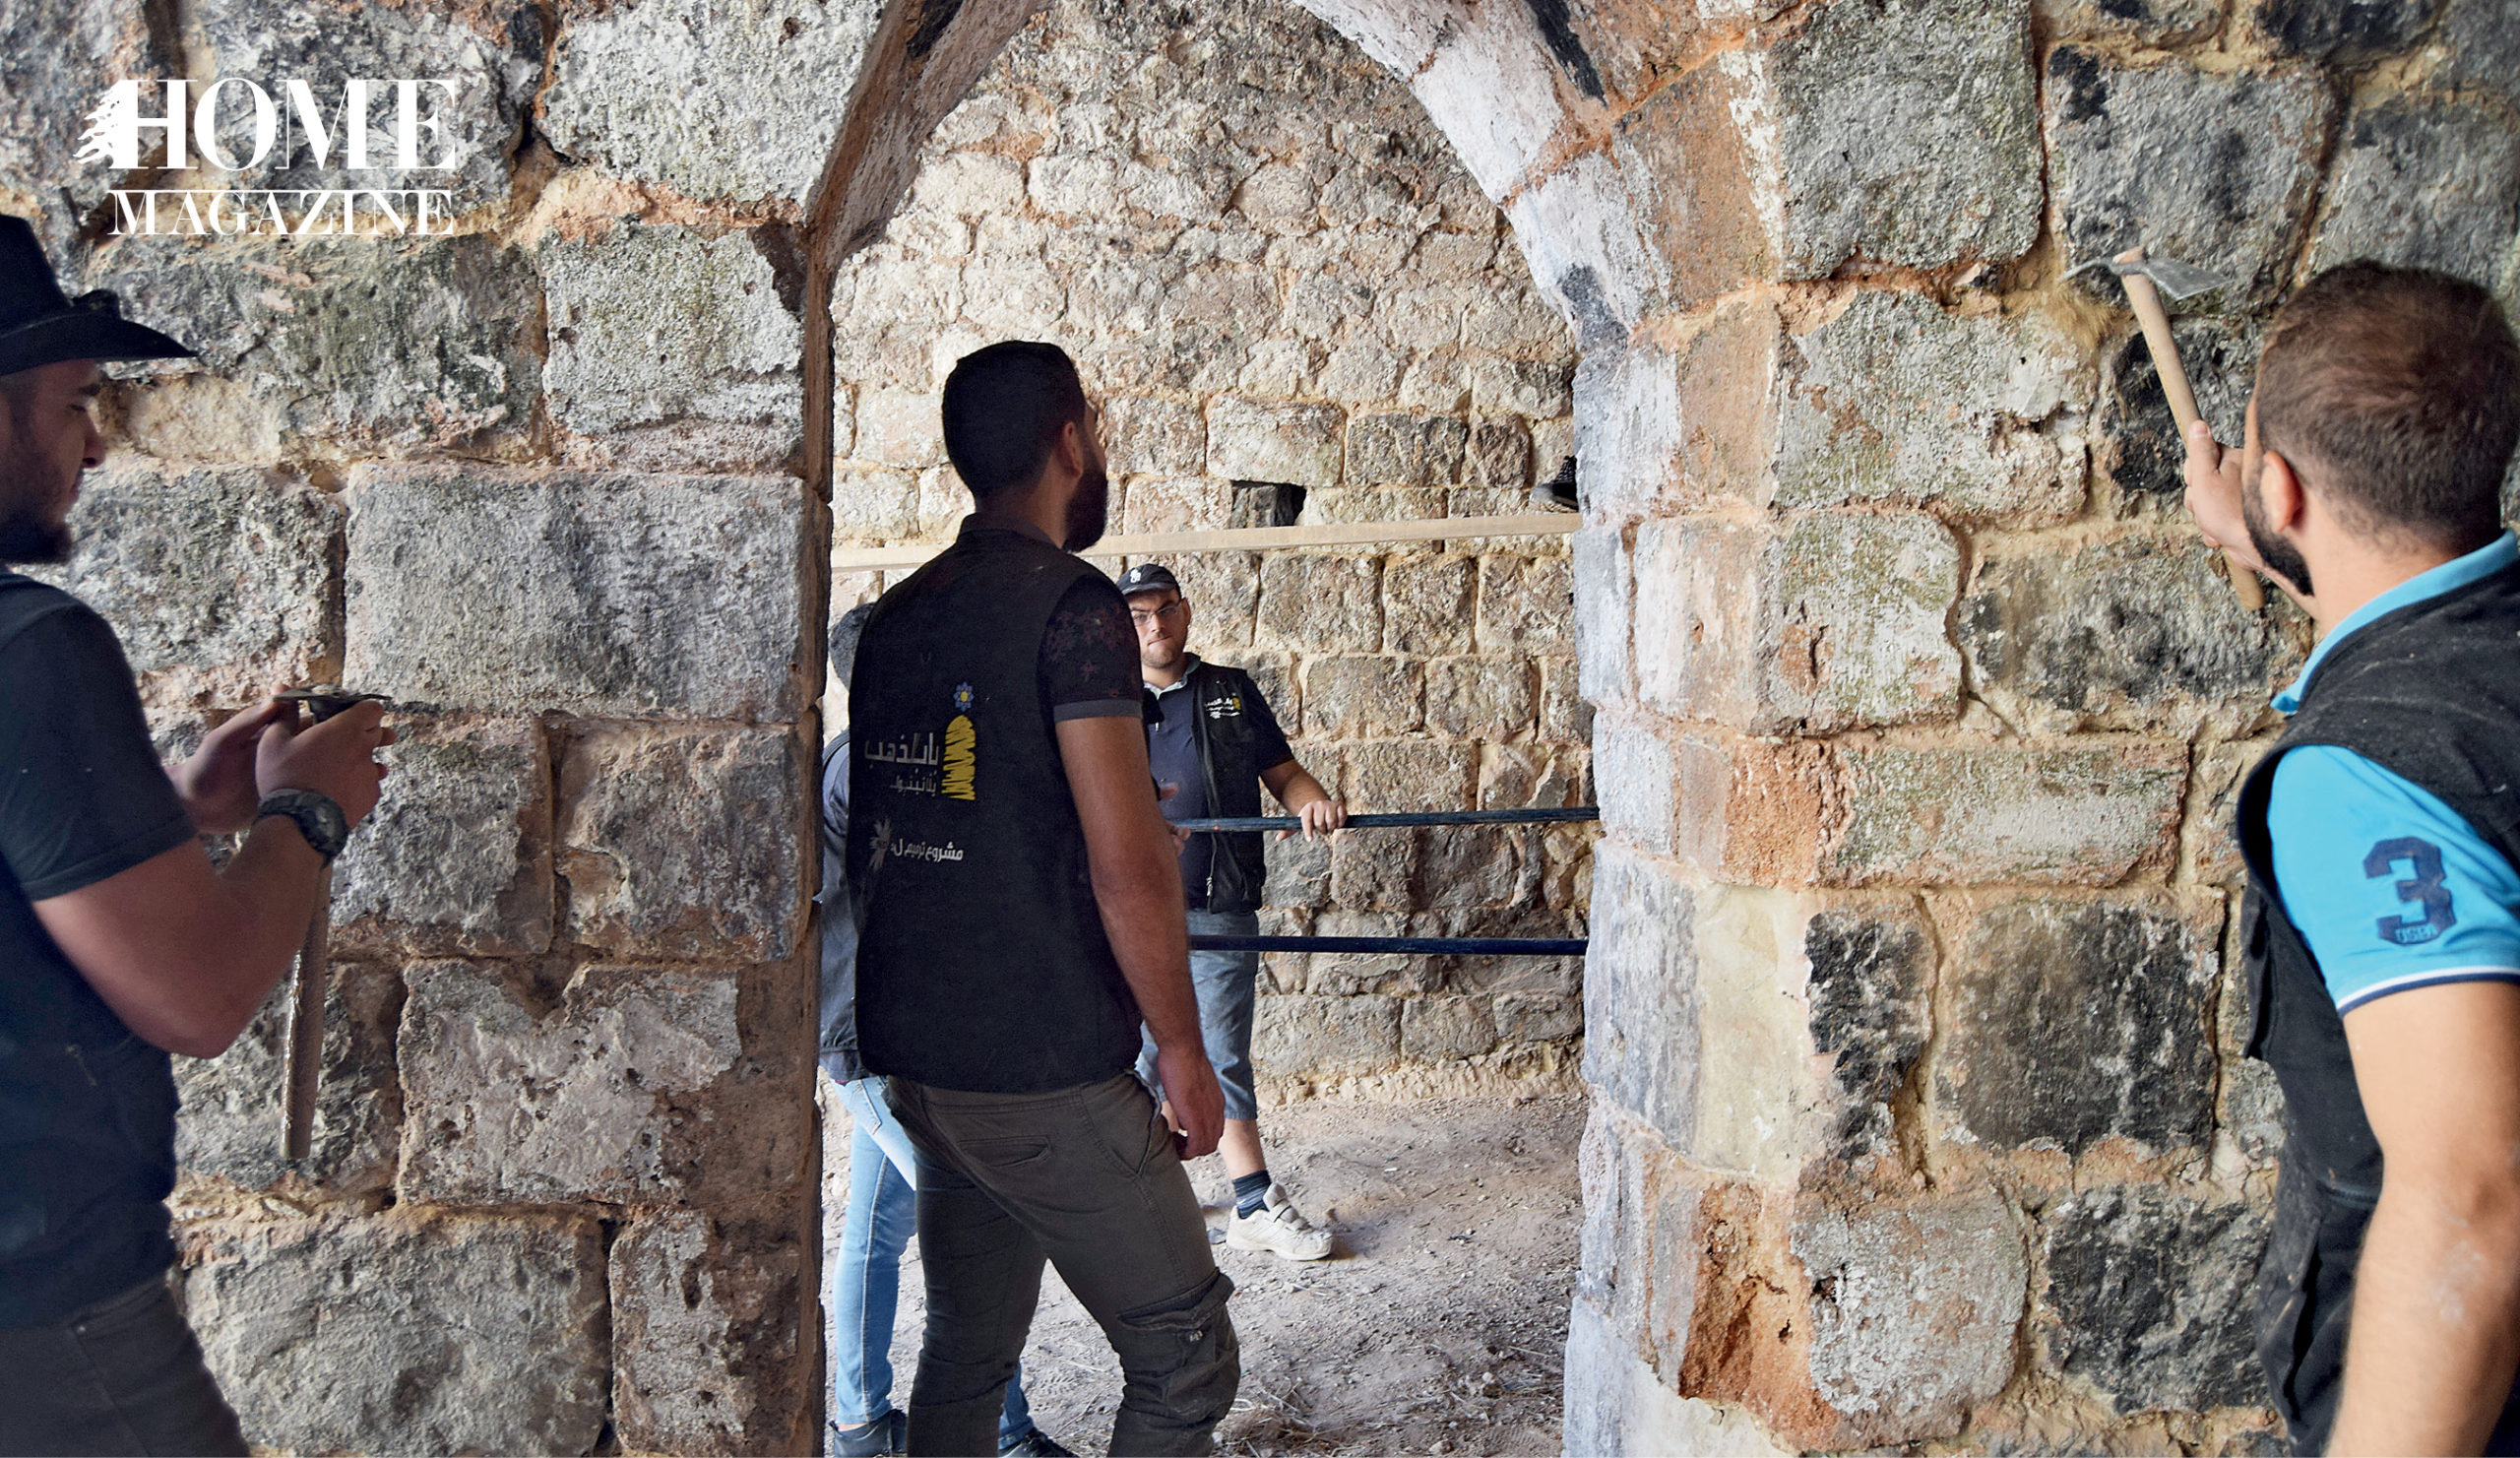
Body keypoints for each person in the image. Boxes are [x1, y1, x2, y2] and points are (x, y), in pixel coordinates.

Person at [0, 215, 393, 1454]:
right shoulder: (31, 655)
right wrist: (306, 811)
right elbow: (198, 992)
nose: (97, 447)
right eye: (73, 404)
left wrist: (169, 810)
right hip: (38, 1300)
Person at [847, 341, 1238, 1457]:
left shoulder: (898, 617)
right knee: (1186, 1352)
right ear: (1069, 440)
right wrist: (1181, 1047)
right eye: (1095, 430)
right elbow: (1128, 859)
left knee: (967, 1351)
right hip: (1040, 1063)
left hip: (923, 1056)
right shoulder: (1074, 607)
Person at [2182, 260, 2520, 1455]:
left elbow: (2470, 1203)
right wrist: (2281, 547)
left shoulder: (2360, 785)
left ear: (2276, 479)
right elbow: (2413, 618)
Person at [816, 602, 1068, 1458]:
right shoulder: (867, 770)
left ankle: (859, 1422)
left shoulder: (873, 764)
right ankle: (1004, 1433)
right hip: (874, 1041)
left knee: (879, 1229)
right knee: (983, 1212)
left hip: (871, 1036)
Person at [1114, 561, 1343, 1261]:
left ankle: (1250, 1204)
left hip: (1218, 905)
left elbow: (1283, 772)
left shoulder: (1230, 692)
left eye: (1164, 610)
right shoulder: (1105, 704)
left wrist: (1311, 800)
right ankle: (1137, 1194)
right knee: (1135, 1058)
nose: (1154, 626)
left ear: (1185, 612)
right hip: (1127, 910)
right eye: (1137, 616)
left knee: (1217, 1049)